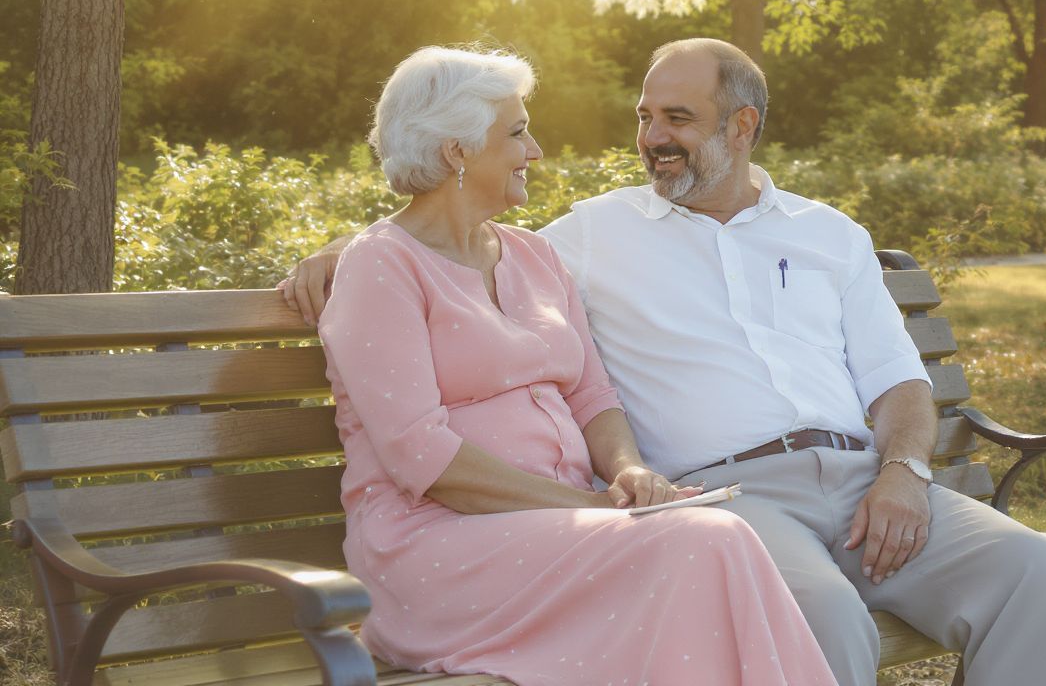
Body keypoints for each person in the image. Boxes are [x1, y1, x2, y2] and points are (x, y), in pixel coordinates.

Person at [285, 39, 1046, 686]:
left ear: (743, 127)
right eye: (645, 117)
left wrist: (904, 471)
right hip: (724, 497)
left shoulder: (825, 232)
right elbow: (421, 248)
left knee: (1037, 573)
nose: (651, 136)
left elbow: (898, 381)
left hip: (865, 480)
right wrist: (349, 250)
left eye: (677, 117)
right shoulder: (592, 234)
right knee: (815, 611)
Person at [305, 45, 839, 686]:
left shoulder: (534, 256)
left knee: (714, 542)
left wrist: (629, 470)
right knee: (707, 541)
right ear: (457, 152)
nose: (534, 151)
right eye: (517, 132)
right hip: (437, 550)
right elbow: (422, 457)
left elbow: (592, 395)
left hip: (559, 534)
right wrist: (592, 508)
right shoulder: (380, 266)